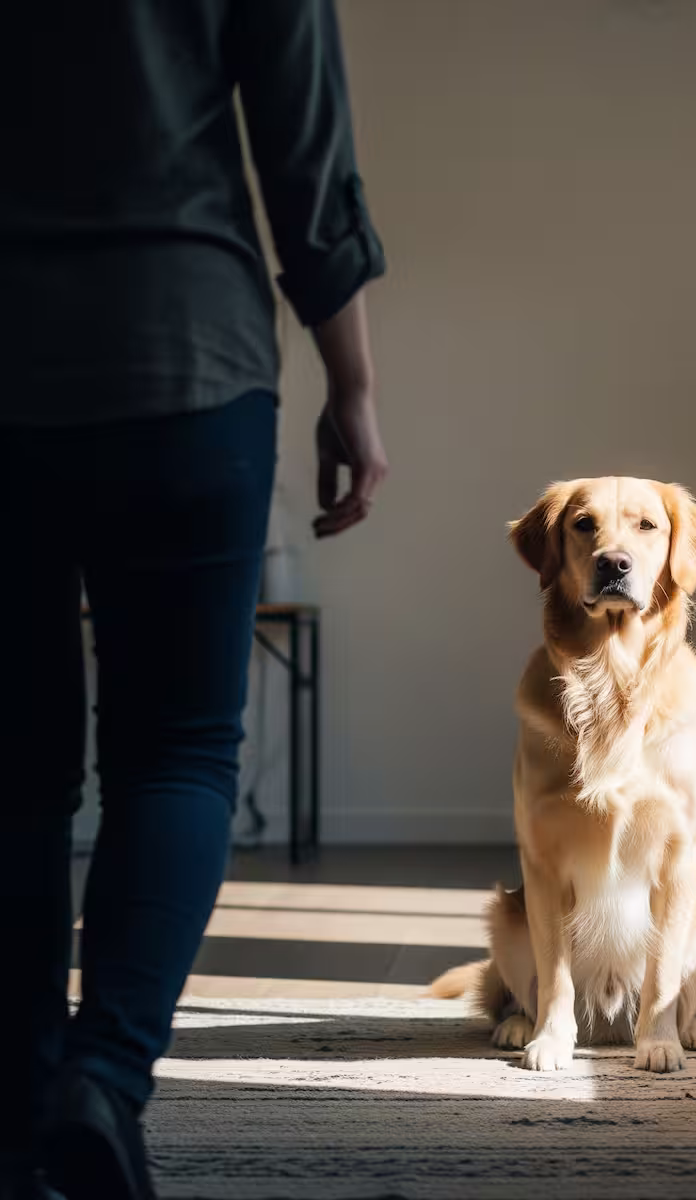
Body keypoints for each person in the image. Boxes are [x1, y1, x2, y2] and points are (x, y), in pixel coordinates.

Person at [0, 3, 388, 1198]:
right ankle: (104, 1082)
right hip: (188, 361)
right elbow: (303, 147)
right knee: (175, 755)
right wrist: (353, 382)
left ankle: (21, 1125)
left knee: (12, 771)